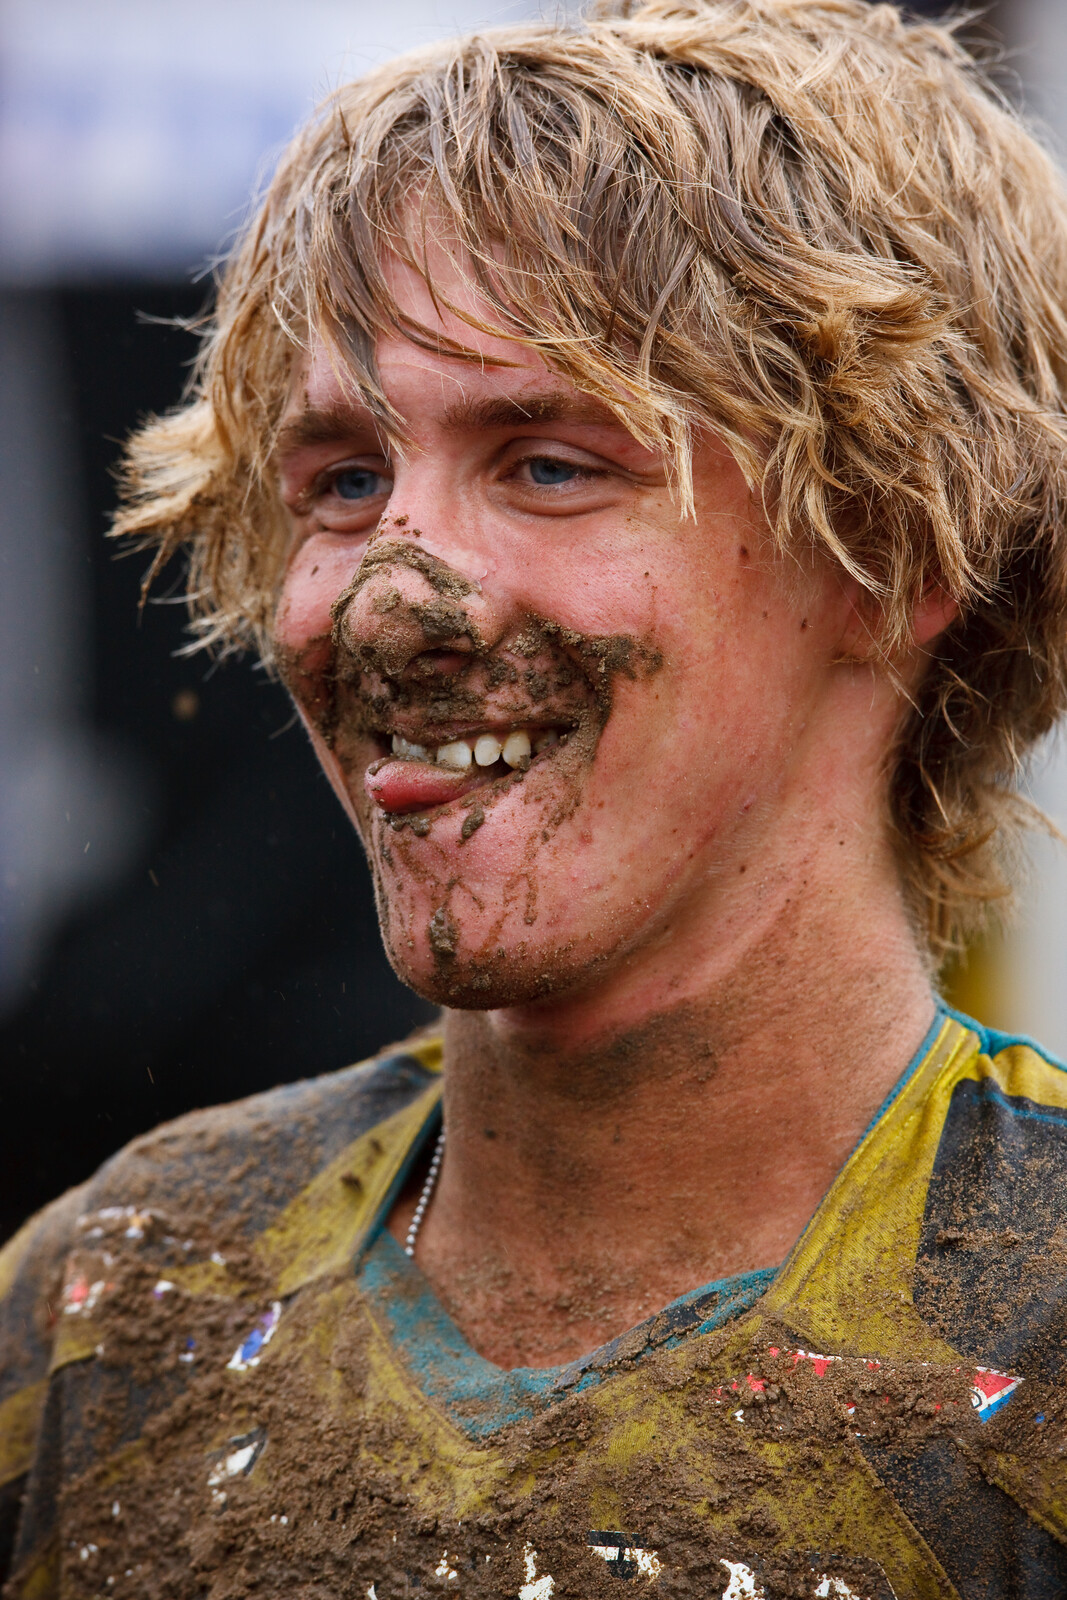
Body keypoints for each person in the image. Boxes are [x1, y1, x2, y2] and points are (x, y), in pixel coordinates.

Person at [5, 0, 1067, 1592]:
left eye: (549, 463)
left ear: (897, 548)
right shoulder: (117, 1301)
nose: (386, 604)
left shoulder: (1037, 1335)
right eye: (345, 482)